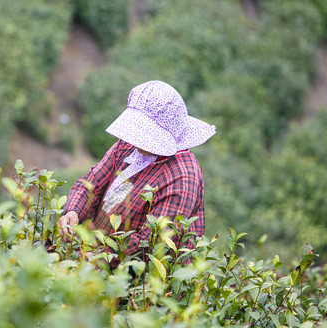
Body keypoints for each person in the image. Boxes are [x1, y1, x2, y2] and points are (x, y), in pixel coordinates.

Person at [57, 80, 216, 262]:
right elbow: (92, 182)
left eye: (146, 133)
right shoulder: (131, 145)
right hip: (94, 251)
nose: (139, 139)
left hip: (135, 280)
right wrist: (73, 211)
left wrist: (96, 258)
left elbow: (151, 244)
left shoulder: (183, 176)